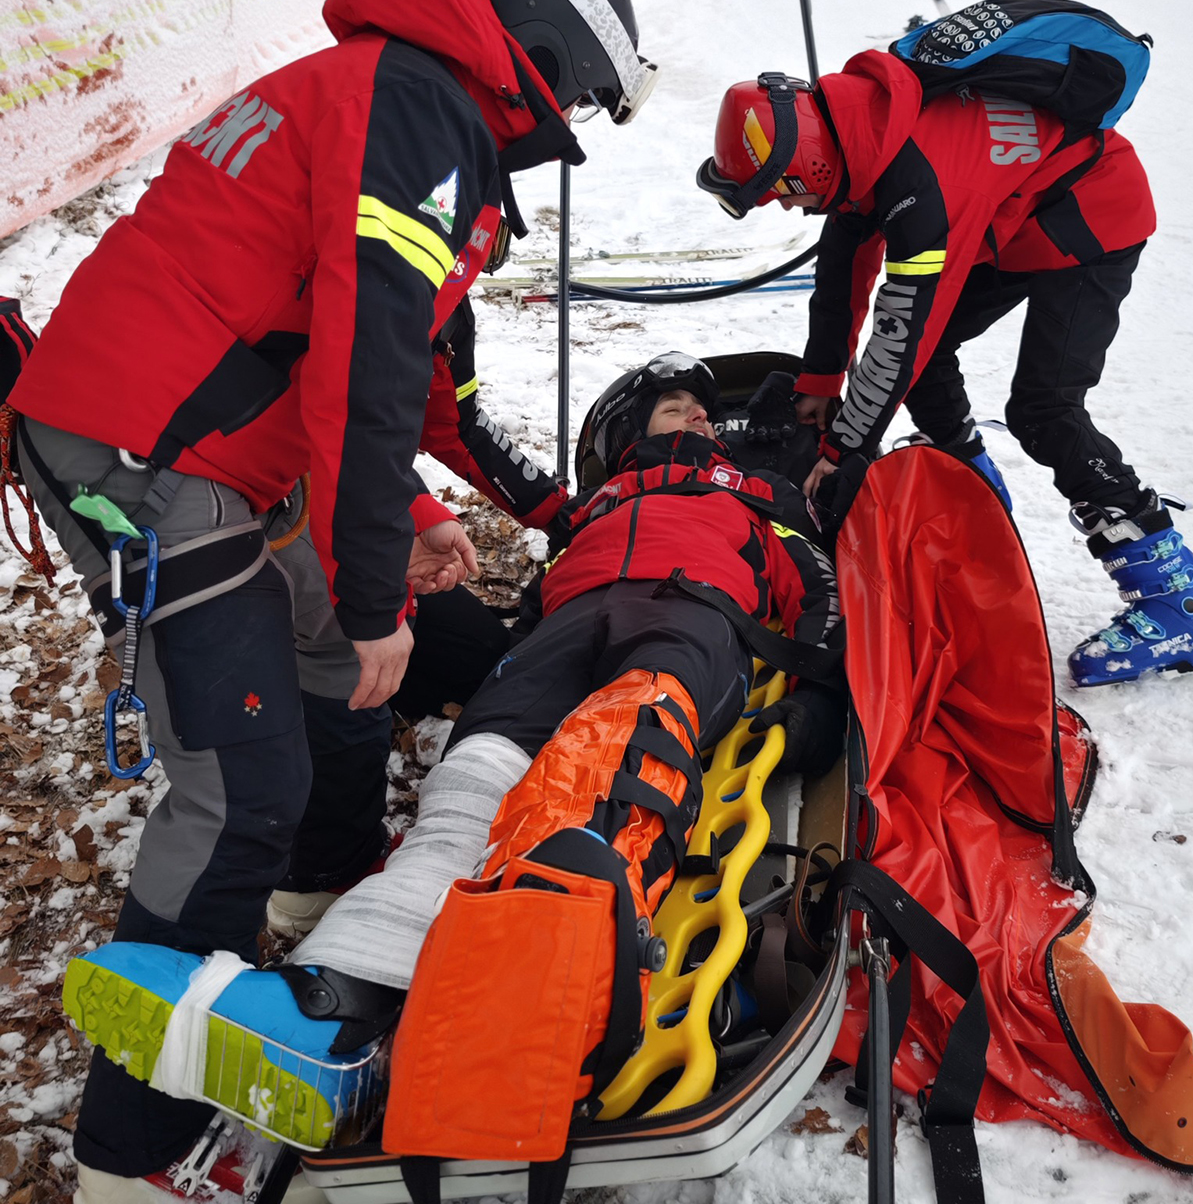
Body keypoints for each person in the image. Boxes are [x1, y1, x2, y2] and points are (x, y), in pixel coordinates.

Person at [10, 0, 657, 1200]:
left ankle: (318, 920)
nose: (562, 127)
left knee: (326, 674)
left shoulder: (391, 83)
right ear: (542, 50)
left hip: (201, 439)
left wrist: (440, 517)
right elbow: (364, 370)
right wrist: (376, 596)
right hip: (142, 453)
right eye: (577, 96)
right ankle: (124, 1157)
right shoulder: (422, 109)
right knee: (236, 782)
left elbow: (386, 358)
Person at [60, 353, 846, 1151]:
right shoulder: (593, 507)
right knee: (469, 780)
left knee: (607, 760)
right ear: (624, 433)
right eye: (677, 409)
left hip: (694, 612)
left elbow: (818, 588)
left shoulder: (758, 497)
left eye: (703, 413)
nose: (700, 420)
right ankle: (329, 1011)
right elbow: (540, 574)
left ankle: (529, 1007)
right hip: (565, 626)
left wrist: (817, 691)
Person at [696, 57, 1193, 688]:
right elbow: (841, 269)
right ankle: (980, 496)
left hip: (1092, 215)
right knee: (928, 359)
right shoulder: (861, 137)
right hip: (1014, 211)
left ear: (810, 165)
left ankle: (1173, 593)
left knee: (1043, 409)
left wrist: (843, 446)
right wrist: (821, 383)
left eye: (784, 192)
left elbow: (902, 328)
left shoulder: (920, 182)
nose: (790, 209)